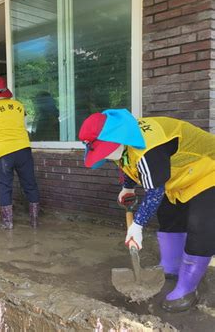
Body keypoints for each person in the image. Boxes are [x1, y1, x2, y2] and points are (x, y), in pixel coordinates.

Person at [78, 109, 215, 312]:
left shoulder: (150, 149)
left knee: (200, 226)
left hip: (208, 169)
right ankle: (171, 267)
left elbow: (154, 192)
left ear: (119, 137)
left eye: (105, 150)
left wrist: (138, 225)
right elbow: (126, 161)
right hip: (179, 177)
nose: (105, 156)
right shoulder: (126, 142)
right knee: (168, 216)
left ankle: (187, 289)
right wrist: (128, 187)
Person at [0, 76, 40, 229]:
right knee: (30, 183)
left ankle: (8, 223)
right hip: (23, 149)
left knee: (4, 185)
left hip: (4, 152)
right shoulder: (19, 106)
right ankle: (34, 221)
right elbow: (24, 124)